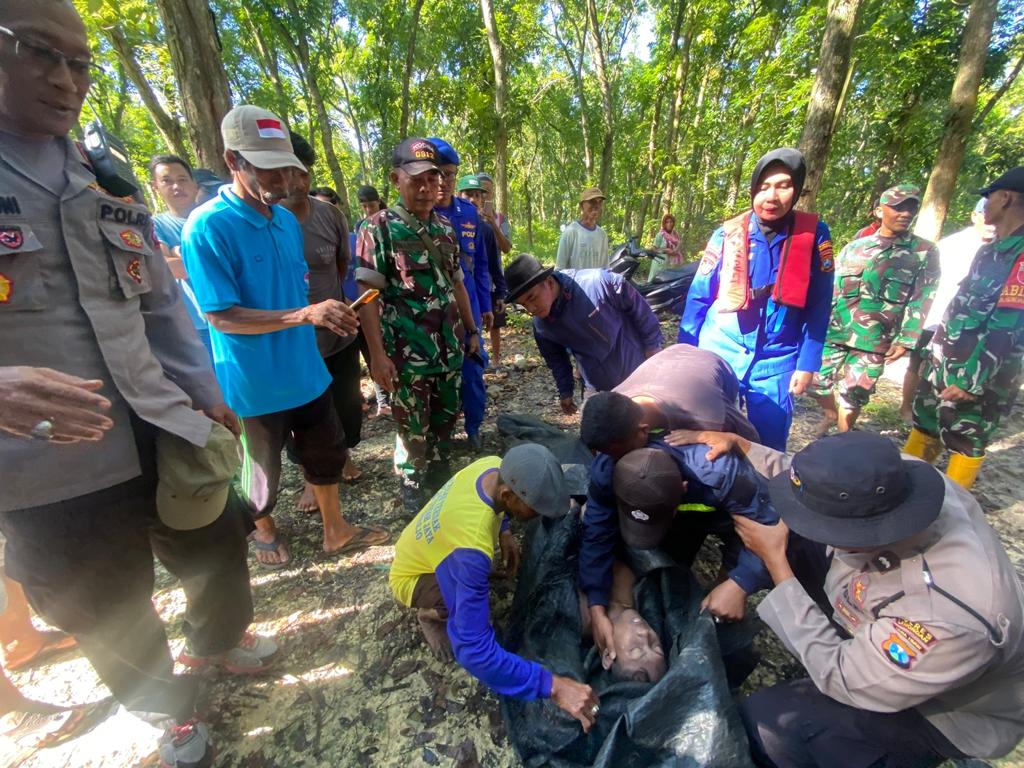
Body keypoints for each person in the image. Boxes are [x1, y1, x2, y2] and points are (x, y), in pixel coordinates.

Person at [0, 3, 267, 763]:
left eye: (80, 63)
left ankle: (215, 644)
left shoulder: (105, 174)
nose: (65, 78)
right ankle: (165, 707)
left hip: (159, 420)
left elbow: (158, 302)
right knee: (103, 601)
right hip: (43, 461)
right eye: (38, 53)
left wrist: (206, 391)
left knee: (218, 544)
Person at [700, 430, 1024, 768]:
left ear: (863, 530)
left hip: (939, 709)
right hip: (880, 612)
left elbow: (843, 676)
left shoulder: (946, 618)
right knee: (792, 535)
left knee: (768, 727)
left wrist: (775, 562)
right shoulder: (898, 481)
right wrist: (743, 444)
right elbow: (820, 489)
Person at [182, 105, 386, 567]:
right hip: (253, 381)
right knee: (261, 471)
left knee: (326, 448)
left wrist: (328, 316)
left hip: (306, 368)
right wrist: (304, 315)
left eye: (287, 169)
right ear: (234, 161)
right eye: (269, 170)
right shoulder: (209, 226)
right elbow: (221, 316)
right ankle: (265, 529)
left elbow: (299, 292)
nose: (284, 182)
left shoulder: (286, 223)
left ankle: (336, 529)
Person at [389, 443, 602, 732]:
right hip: (412, 577)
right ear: (507, 496)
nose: (541, 516)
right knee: (472, 611)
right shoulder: (472, 549)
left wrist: (504, 532)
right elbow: (473, 650)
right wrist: (553, 686)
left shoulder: (493, 465)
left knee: (479, 573)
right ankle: (429, 614)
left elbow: (492, 504)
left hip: (427, 545)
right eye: (535, 508)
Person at [578, 401, 780, 664]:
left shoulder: (718, 470)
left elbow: (770, 526)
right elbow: (597, 531)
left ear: (682, 491)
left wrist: (741, 582)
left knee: (728, 584)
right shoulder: (609, 468)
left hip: (731, 511)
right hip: (686, 512)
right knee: (672, 563)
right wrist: (596, 603)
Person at [678, 147, 835, 451]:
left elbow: (819, 304)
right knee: (708, 433)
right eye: (763, 187)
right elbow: (699, 295)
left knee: (770, 439)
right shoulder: (728, 234)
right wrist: (686, 351)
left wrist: (807, 363)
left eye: (783, 186)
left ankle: (764, 494)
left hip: (777, 357)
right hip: (720, 349)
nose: (771, 197)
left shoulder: (815, 235)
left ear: (797, 191)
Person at [355, 138, 480, 513]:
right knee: (412, 426)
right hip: (407, 354)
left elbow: (457, 282)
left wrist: (472, 331)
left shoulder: (444, 227)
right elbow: (367, 296)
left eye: (433, 179)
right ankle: (411, 481)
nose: (427, 188)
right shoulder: (378, 229)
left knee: (446, 417)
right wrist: (376, 357)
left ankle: (440, 475)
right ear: (396, 179)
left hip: (448, 349)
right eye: (417, 181)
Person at [904, 167, 1024, 489]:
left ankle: (953, 515)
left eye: (988, 196)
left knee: (966, 439)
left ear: (1006, 198)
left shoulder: (1022, 255)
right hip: (945, 366)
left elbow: (1008, 327)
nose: (984, 205)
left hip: (978, 380)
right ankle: (904, 497)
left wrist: (973, 381)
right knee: (926, 424)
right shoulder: (990, 250)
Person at [810, 184, 939, 434]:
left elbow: (923, 297)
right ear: (879, 211)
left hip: (876, 337)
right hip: (836, 330)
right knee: (814, 382)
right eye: (898, 207)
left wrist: (906, 339)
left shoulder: (924, 252)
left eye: (911, 208)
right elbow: (833, 288)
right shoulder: (856, 247)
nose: (905, 213)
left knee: (855, 391)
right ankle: (830, 413)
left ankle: (842, 439)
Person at [281, 132, 364, 505]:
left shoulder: (330, 215)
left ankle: (342, 456)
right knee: (304, 415)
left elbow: (341, 265)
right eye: (289, 172)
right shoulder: (268, 224)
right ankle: (311, 479)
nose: (298, 182)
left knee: (346, 406)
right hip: (293, 341)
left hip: (338, 336)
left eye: (304, 172)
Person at [505, 254, 663, 414]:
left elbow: (642, 313)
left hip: (634, 364)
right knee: (605, 429)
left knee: (645, 420)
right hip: (595, 380)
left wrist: (652, 348)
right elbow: (556, 359)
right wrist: (565, 390)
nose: (531, 309)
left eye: (532, 297)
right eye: (523, 304)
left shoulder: (599, 284)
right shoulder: (541, 326)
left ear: (550, 282)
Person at [900, 197, 995, 419]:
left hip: (971, 326)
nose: (990, 224)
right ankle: (907, 407)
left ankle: (942, 414)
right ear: (975, 216)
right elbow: (925, 282)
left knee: (954, 368)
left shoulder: (1002, 250)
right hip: (935, 316)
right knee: (917, 363)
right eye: (984, 216)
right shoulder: (951, 245)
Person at [430, 138, 492, 450]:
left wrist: (485, 305)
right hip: (429, 316)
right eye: (436, 173)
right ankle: (438, 437)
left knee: (472, 374)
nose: (443, 181)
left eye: (450, 174)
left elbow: (479, 265)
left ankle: (474, 429)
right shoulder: (414, 217)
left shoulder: (469, 214)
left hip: (468, 309)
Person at [149, 154, 214, 360]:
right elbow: (167, 267)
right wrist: (208, 258)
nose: (176, 186)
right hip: (196, 324)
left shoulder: (215, 217)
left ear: (194, 184)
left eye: (182, 179)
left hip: (238, 313)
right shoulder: (154, 225)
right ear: (155, 187)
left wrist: (179, 251)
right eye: (167, 181)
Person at [457, 175, 508, 372]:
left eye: (477, 195)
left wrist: (501, 292)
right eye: (468, 194)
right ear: (459, 195)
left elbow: (492, 263)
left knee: (475, 341)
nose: (473, 200)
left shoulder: (485, 228)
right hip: (451, 297)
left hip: (479, 292)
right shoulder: (446, 222)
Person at [350, 184, 392, 418]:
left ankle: (389, 396)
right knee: (372, 351)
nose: (368, 210)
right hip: (366, 300)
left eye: (371, 205)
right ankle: (382, 398)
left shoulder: (389, 225)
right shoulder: (361, 228)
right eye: (364, 206)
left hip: (387, 304)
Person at [556, 187, 609, 270]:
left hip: (595, 283)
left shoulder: (602, 235)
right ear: (581, 206)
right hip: (573, 283)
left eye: (600, 202)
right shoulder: (571, 232)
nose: (596, 205)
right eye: (592, 201)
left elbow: (605, 268)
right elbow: (559, 268)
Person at [476, 171, 513, 254]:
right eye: (480, 191)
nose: (483, 195)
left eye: (487, 191)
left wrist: (493, 223)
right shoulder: (468, 216)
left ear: (492, 194)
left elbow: (507, 249)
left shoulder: (502, 219)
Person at [649, 213, 682, 282]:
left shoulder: (675, 235)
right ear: (664, 224)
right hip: (659, 264)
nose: (669, 224)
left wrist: (674, 251)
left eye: (671, 222)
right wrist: (665, 250)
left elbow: (678, 247)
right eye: (667, 222)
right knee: (653, 283)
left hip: (670, 265)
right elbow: (653, 249)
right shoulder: (660, 235)